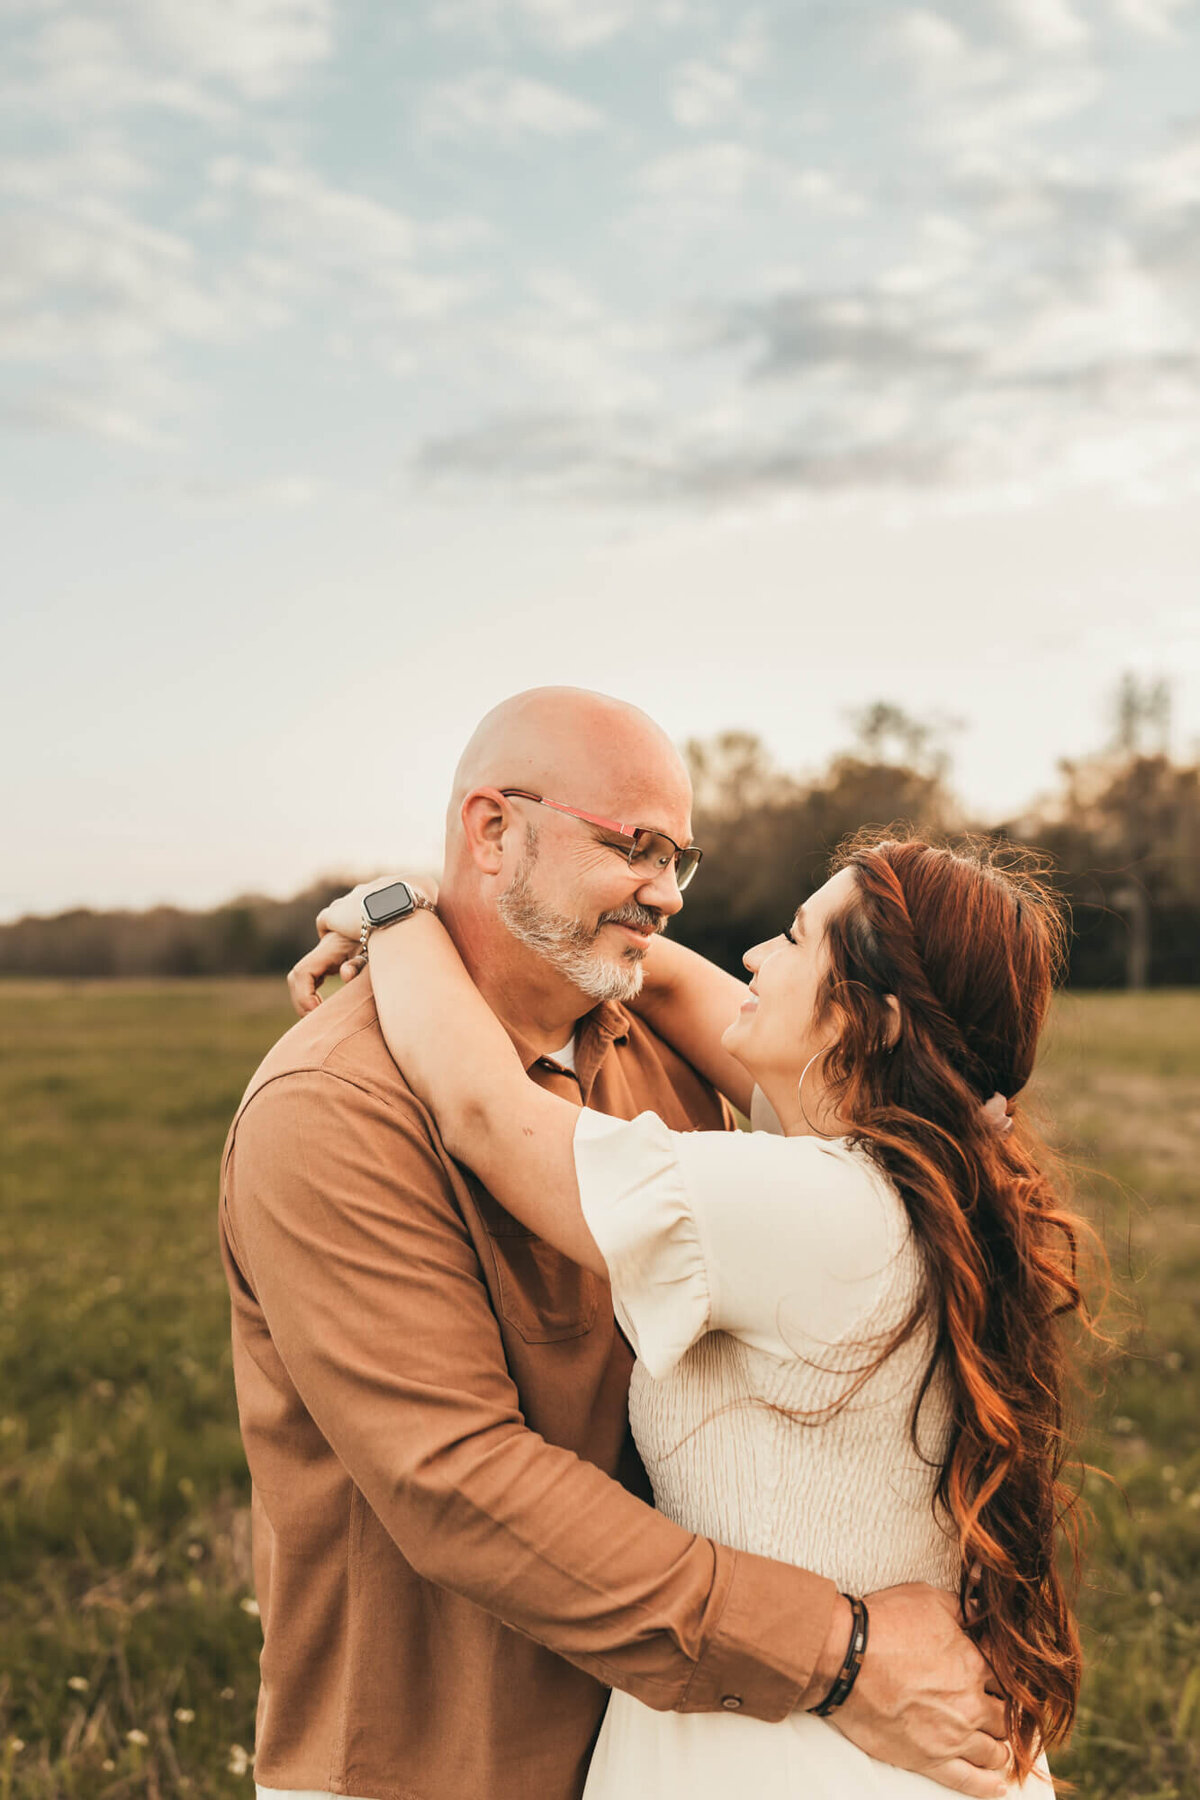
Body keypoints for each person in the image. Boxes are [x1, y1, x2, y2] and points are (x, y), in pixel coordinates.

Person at [226, 687, 1010, 1800]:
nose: (670, 897)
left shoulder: (677, 1050)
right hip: (445, 1757)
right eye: (636, 849)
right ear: (493, 832)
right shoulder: (335, 1106)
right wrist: (840, 1653)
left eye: (679, 858)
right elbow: (459, 1484)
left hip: (709, 1734)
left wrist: (396, 911)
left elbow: (806, 1058)